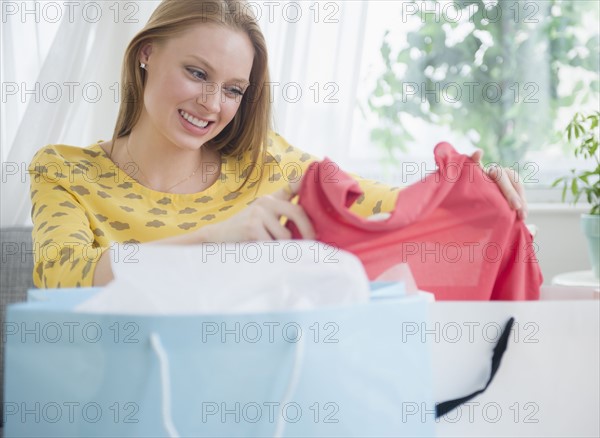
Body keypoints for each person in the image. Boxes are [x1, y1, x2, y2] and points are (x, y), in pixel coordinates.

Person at [29, 0, 527, 289]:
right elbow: (62, 275)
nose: (210, 103)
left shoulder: (267, 166)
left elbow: (387, 204)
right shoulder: (63, 171)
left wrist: (476, 188)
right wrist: (216, 238)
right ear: (145, 54)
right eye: (196, 72)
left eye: (232, 89)